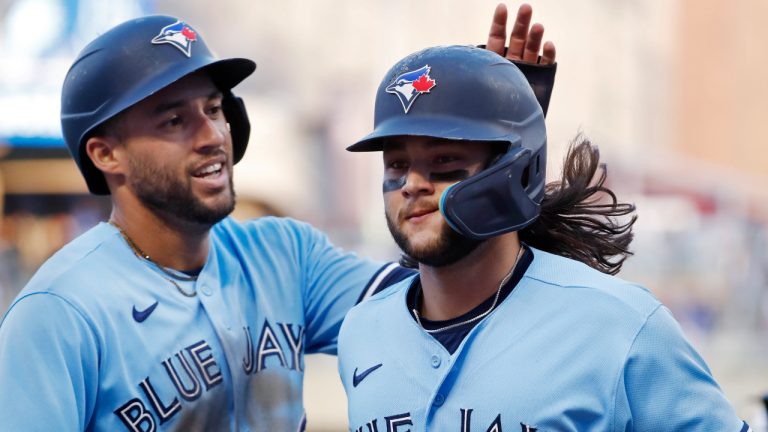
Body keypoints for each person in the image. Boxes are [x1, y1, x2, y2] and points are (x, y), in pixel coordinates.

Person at [0, 5, 556, 431]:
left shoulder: (284, 255)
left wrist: (492, 152)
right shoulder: (57, 315)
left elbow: (454, 302)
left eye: (215, 110)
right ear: (105, 154)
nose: (211, 137)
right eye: (173, 120)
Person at [338, 46, 751, 431]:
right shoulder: (362, 329)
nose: (412, 183)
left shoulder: (620, 324)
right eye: (396, 163)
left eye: (444, 160)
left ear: (513, 169)